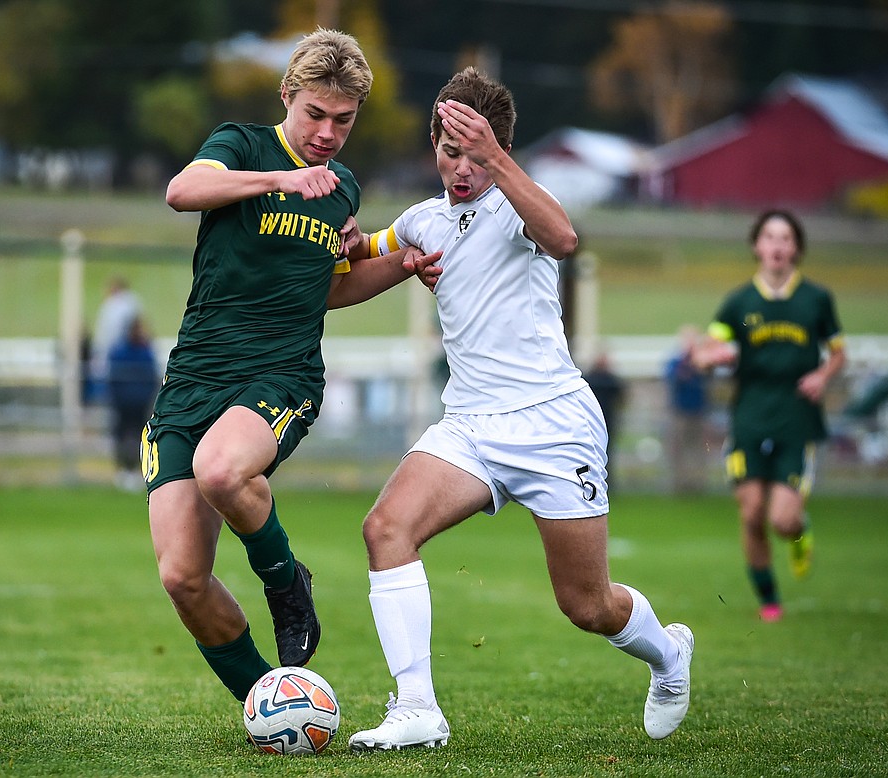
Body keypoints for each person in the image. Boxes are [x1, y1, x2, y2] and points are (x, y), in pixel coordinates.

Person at [344, 67, 694, 751]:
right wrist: (350, 245)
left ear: (500, 151)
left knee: (586, 606)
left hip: (552, 423)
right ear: (433, 146)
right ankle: (416, 707)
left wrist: (499, 162)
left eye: (477, 155)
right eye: (450, 152)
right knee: (385, 527)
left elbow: (564, 238)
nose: (462, 169)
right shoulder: (422, 217)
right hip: (470, 426)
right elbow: (362, 261)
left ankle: (669, 656)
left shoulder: (522, 203)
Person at [143, 28, 440, 704]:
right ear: (287, 96)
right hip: (192, 381)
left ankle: (286, 584)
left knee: (224, 470)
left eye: (344, 119)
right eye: (315, 114)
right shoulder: (242, 146)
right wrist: (281, 178)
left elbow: (329, 286)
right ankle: (270, 705)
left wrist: (401, 263)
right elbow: (183, 191)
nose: (328, 133)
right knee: (182, 577)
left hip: (281, 375)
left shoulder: (343, 189)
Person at [693, 209, 846, 623]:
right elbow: (705, 351)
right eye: (769, 237)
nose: (777, 246)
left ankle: (799, 532)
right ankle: (769, 600)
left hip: (797, 419)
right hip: (750, 418)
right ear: (757, 246)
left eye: (785, 238)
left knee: (782, 519)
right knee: (751, 512)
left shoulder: (816, 299)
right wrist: (712, 356)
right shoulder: (741, 301)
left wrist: (822, 375)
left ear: (796, 248)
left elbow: (838, 352)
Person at [107, 316, 160, 491]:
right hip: (124, 403)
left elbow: (151, 376)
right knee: (121, 436)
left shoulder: (145, 351)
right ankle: (123, 470)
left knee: (141, 437)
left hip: (139, 403)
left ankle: (139, 470)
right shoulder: (121, 350)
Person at [664, 325, 709, 494]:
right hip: (680, 412)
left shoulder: (701, 361)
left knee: (698, 449)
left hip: (698, 412)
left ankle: (697, 483)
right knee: (679, 450)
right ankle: (680, 483)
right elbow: (672, 379)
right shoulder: (676, 362)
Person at [89, 276, 141, 403]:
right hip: (118, 353)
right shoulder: (130, 302)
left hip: (119, 353)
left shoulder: (118, 304)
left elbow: (108, 333)